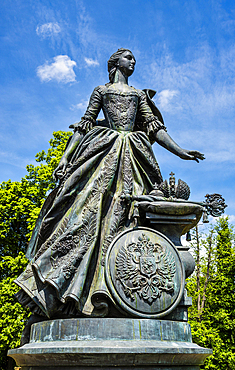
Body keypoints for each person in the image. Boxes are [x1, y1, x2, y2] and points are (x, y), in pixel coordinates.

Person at [15, 48, 204, 343]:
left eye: (134, 59)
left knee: (130, 217)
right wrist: (66, 158)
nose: (133, 62)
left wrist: (181, 151)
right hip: (102, 153)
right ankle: (78, 291)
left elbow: (155, 130)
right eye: (128, 58)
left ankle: (120, 288)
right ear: (115, 63)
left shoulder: (139, 95)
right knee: (85, 214)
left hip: (135, 154)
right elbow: (85, 124)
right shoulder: (101, 90)